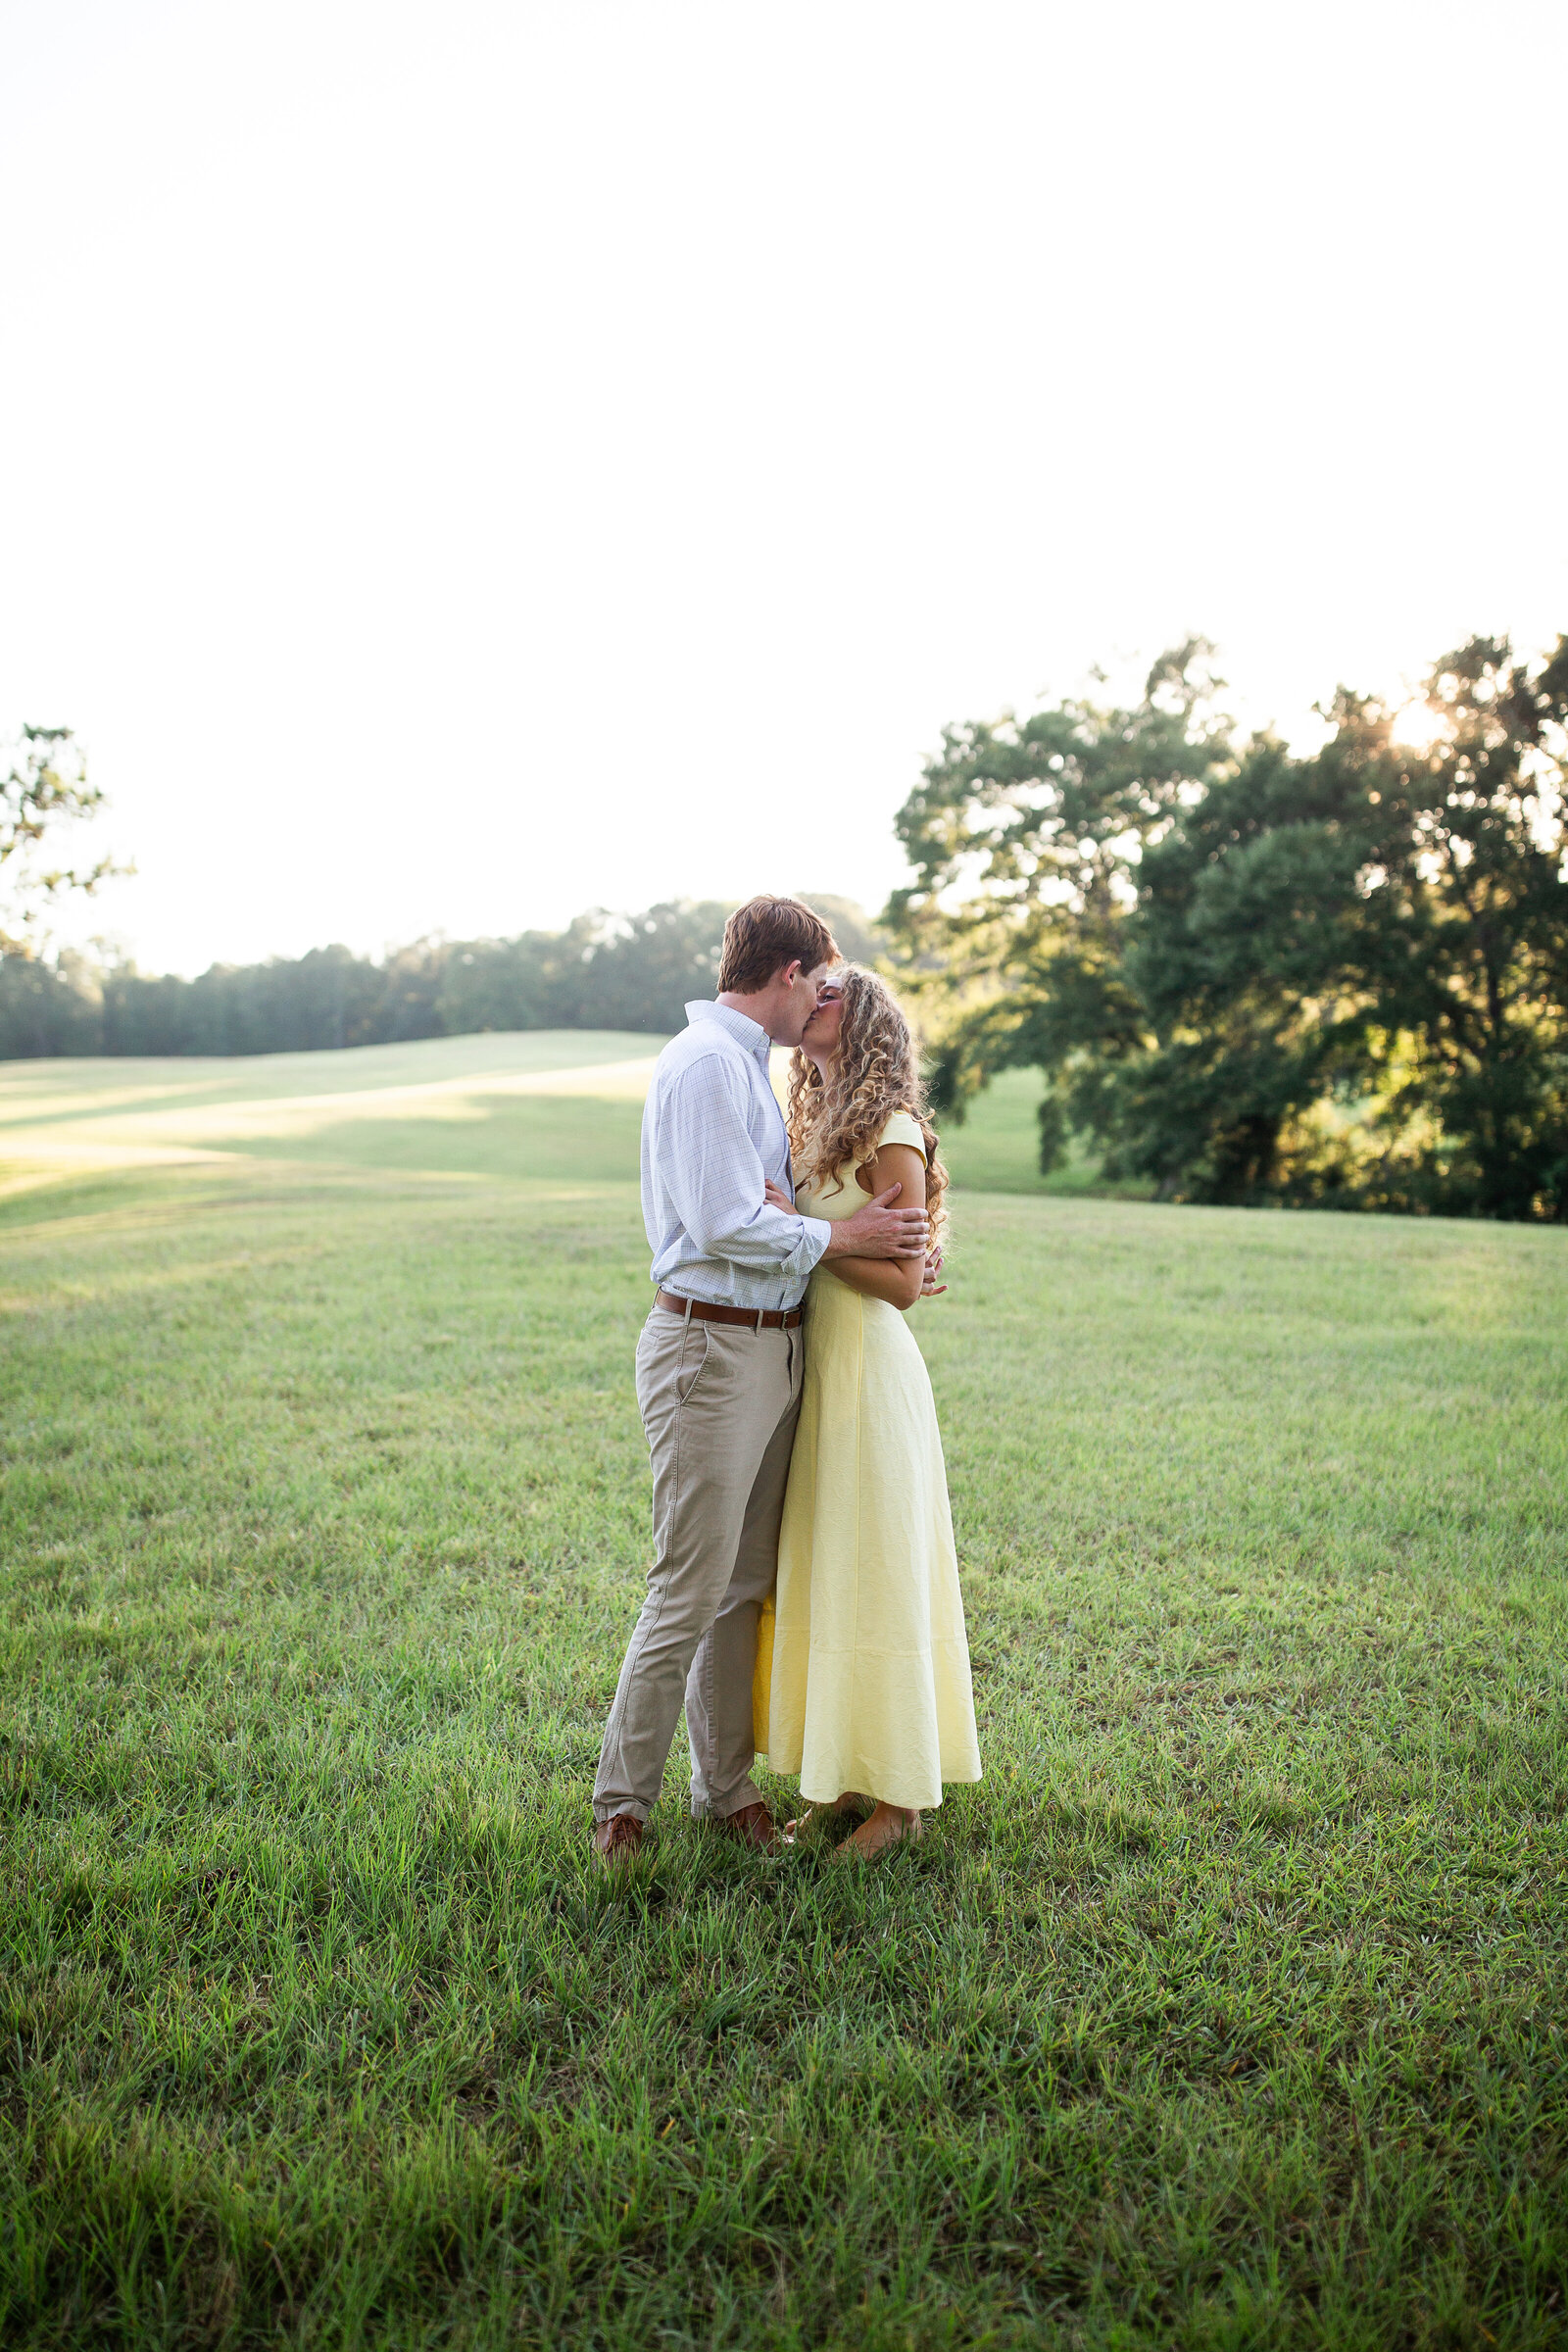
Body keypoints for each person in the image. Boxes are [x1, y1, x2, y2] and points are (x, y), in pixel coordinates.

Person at [591, 898, 932, 1864]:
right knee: (687, 1587)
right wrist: (842, 1237)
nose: (826, 999)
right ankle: (621, 1809)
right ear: (788, 978)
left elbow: (833, 1224)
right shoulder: (704, 1066)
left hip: (773, 1348)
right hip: (711, 1349)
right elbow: (722, 1223)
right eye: (820, 984)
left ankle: (724, 1788)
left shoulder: (746, 1073)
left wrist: (878, 1248)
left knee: (741, 1585)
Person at [758, 965, 981, 1856]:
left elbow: (902, 1285)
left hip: (872, 1376)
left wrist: (803, 1240)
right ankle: (848, 1778)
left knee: (878, 1575)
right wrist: (806, 1233)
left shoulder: (891, 1129)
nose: (814, 1000)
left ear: (867, 1021)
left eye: (833, 994)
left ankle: (901, 1802)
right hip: (821, 1369)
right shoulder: (815, 1119)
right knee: (831, 1568)